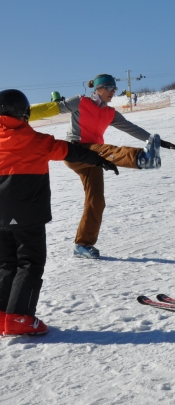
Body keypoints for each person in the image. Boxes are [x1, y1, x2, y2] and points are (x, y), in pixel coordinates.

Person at [1, 89, 119, 336]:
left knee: (5, 263)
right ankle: (19, 318)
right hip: (28, 216)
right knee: (29, 262)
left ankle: (3, 315)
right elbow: (70, 151)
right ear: (24, 113)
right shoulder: (37, 141)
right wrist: (100, 160)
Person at [29, 74, 175, 259]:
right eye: (108, 88)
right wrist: (21, 114)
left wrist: (156, 141)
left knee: (96, 200)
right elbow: (53, 108)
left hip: (93, 158)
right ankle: (141, 158)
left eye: (114, 88)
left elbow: (130, 127)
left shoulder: (110, 113)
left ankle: (82, 244)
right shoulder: (81, 101)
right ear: (97, 89)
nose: (112, 92)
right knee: (106, 150)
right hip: (76, 150)